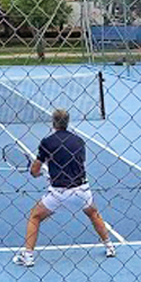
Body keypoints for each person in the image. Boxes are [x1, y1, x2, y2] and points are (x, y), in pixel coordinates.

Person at [13, 108, 117, 267]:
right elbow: (76, 163)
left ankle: (27, 256)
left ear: (53, 123)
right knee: (93, 213)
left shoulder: (47, 142)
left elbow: (35, 170)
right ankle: (109, 246)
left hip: (59, 194)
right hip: (82, 190)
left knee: (35, 216)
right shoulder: (79, 141)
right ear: (67, 122)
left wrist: (39, 173)